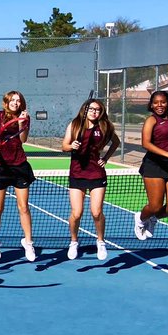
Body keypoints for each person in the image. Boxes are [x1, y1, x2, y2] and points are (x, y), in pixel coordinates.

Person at [61, 98, 120, 260]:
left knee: (96, 212)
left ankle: (100, 242)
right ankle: (74, 242)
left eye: (98, 110)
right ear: (85, 110)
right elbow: (64, 146)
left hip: (96, 173)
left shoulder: (104, 126)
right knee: (77, 212)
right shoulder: (74, 125)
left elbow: (116, 142)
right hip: (77, 173)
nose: (95, 112)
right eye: (92, 109)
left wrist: (106, 158)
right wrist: (71, 146)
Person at [0, 90, 35, 262]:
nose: (16, 102)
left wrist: (22, 123)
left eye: (18, 100)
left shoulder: (25, 117)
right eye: (12, 100)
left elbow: (23, 140)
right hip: (1, 167)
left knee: (23, 207)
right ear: (6, 102)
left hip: (19, 166)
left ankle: (28, 243)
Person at [135, 90, 168, 240]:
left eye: (162, 102)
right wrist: (167, 154)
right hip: (154, 165)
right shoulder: (151, 120)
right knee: (155, 205)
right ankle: (140, 218)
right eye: (156, 102)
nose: (159, 105)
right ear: (151, 105)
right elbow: (145, 143)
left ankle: (152, 218)